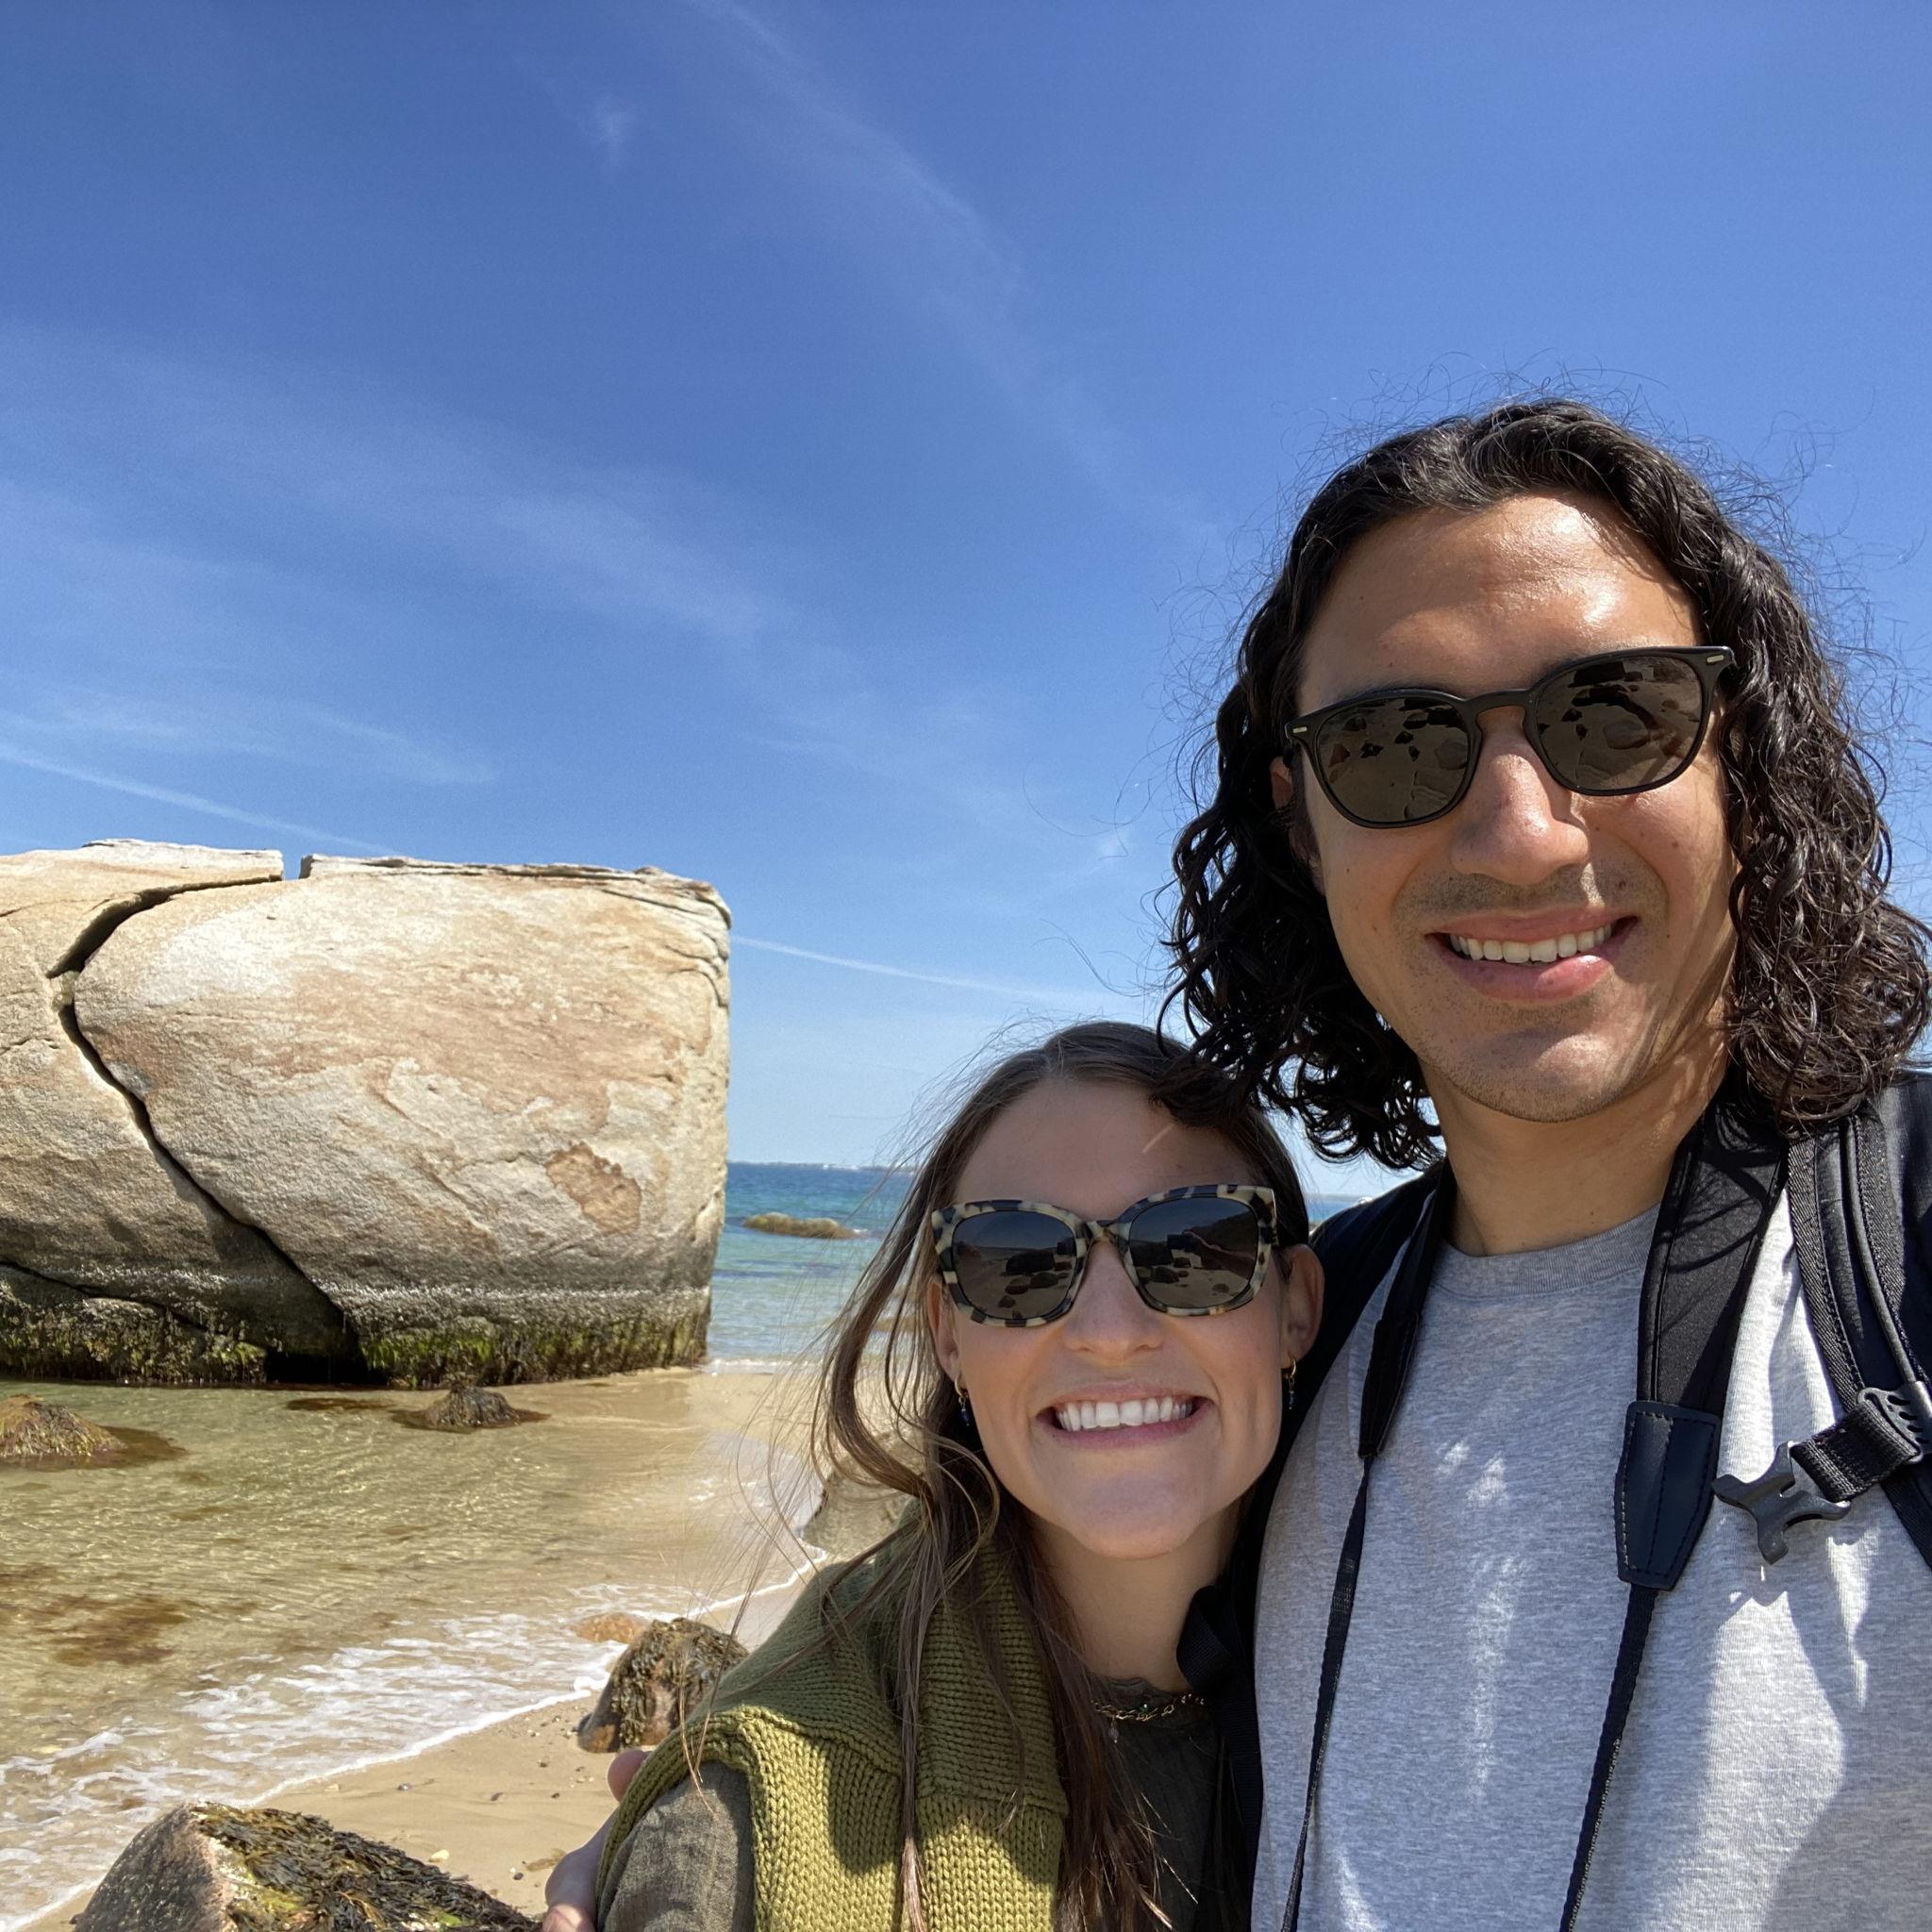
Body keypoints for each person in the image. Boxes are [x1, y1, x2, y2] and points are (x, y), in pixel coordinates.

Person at [1164, 398, 1932, 1930]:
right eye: (1392, 743)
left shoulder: (1903, 1266)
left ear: (1741, 755)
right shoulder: (1296, 1323)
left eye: (1613, 712)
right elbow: (987, 1580)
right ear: (1300, 823)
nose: (1518, 833)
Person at [581, 1022, 1322, 1931]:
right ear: (946, 1333)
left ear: (1297, 1307)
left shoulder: (1431, 1685)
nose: (1108, 1329)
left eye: (1194, 1245)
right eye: (1017, 1262)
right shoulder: (748, 1820)